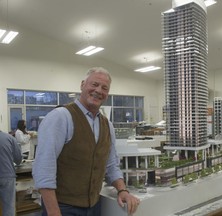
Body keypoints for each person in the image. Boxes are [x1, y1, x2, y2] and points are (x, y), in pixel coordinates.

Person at [32, 67, 140, 216]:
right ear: (82, 85)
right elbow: (44, 167)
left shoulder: (107, 125)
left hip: (94, 206)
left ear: (107, 94)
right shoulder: (61, 117)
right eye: (94, 84)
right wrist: (53, 211)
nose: (98, 90)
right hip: (63, 207)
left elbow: (111, 164)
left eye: (104, 88)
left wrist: (122, 190)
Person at [0, 130, 22, 216]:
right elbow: (18, 160)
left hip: (7, 175)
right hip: (7, 176)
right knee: (9, 207)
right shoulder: (9, 138)